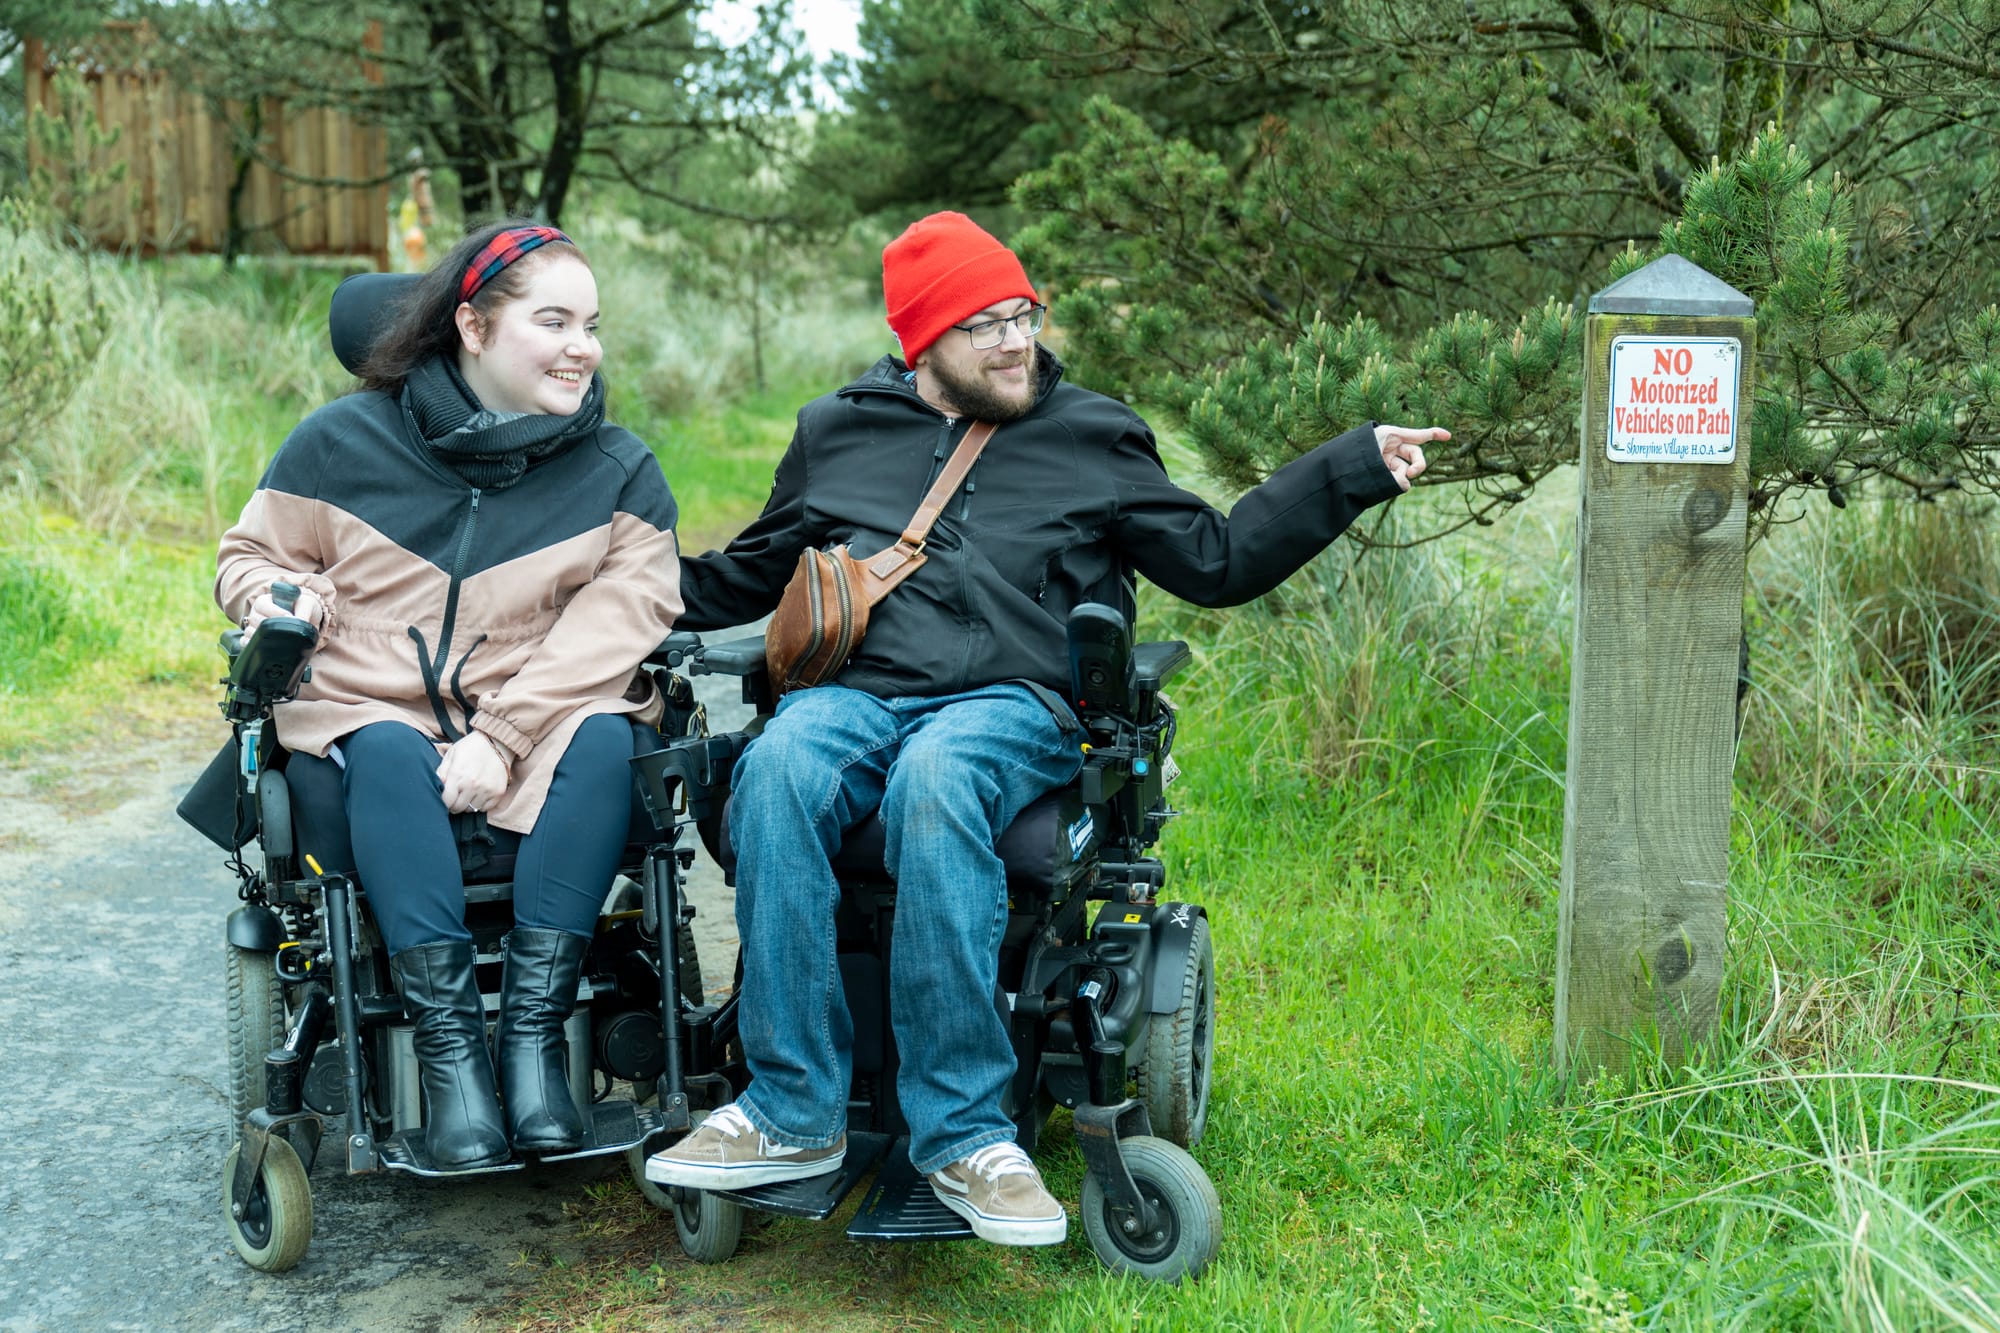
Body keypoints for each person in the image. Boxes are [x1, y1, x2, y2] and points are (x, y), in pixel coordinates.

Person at [644, 211, 1438, 1244]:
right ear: (918, 343)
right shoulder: (834, 431)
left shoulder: (1091, 435)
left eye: (1022, 314)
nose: (1016, 340)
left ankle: (965, 1131)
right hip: (854, 695)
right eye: (983, 326)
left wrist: (1349, 467)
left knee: (937, 776)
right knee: (778, 763)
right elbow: (744, 573)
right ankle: (790, 1110)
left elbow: (1219, 560)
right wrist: (605, 575)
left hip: (1006, 703)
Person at [215, 220, 682, 1171]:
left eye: (591, 324)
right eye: (553, 322)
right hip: (371, 713)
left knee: (605, 736)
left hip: (542, 718)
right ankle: (451, 1055)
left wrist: (502, 736)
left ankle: (535, 1044)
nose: (582, 348)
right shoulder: (338, 443)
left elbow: (629, 612)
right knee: (380, 750)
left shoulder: (618, 470)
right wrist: (275, 596)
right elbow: (249, 555)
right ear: (472, 326)